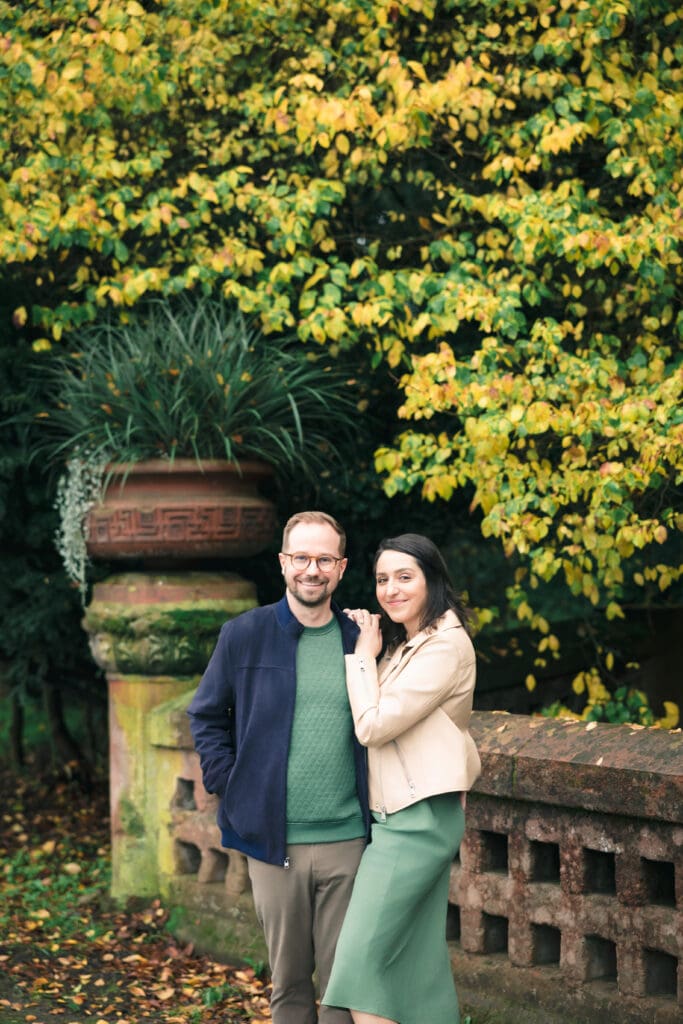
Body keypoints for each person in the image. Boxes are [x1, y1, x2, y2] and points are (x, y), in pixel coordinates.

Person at [187, 511, 370, 1024]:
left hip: (350, 840)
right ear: (283, 563)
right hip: (273, 841)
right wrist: (232, 785)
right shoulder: (244, 634)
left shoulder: (360, 639)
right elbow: (206, 714)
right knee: (288, 984)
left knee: (345, 987)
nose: (313, 570)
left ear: (341, 567)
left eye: (325, 559)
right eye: (302, 558)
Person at [322, 533, 481, 1024]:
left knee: (359, 967)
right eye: (382, 579)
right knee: (415, 967)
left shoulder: (444, 648)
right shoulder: (409, 645)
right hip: (405, 815)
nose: (390, 589)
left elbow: (373, 726)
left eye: (404, 577)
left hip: (416, 821)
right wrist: (370, 645)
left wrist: (361, 656)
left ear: (432, 579)